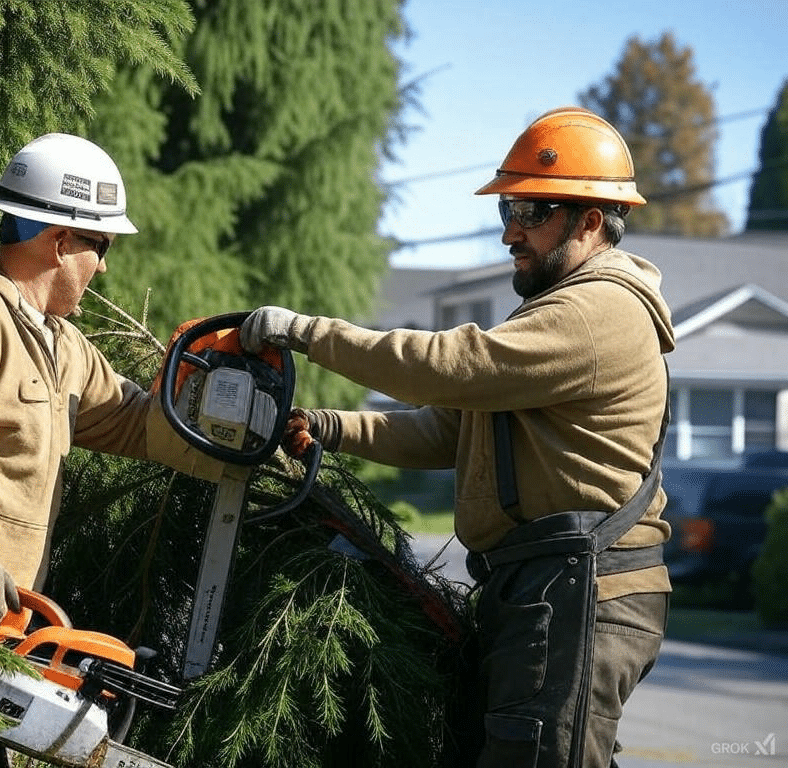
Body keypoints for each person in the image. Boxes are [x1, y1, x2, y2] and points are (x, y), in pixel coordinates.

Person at [239, 107, 674, 768]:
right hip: (545, 588)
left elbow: (446, 366)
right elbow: (450, 431)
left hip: (577, 590)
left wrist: (302, 330)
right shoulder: (557, 308)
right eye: (507, 212)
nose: (510, 233)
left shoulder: (597, 312)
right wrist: (327, 428)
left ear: (591, 221)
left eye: (531, 211)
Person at [0, 132, 219, 765]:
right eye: (102, 246)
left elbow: (135, 423)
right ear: (62, 242)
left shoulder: (59, 343)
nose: (105, 266)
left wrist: (215, 408)